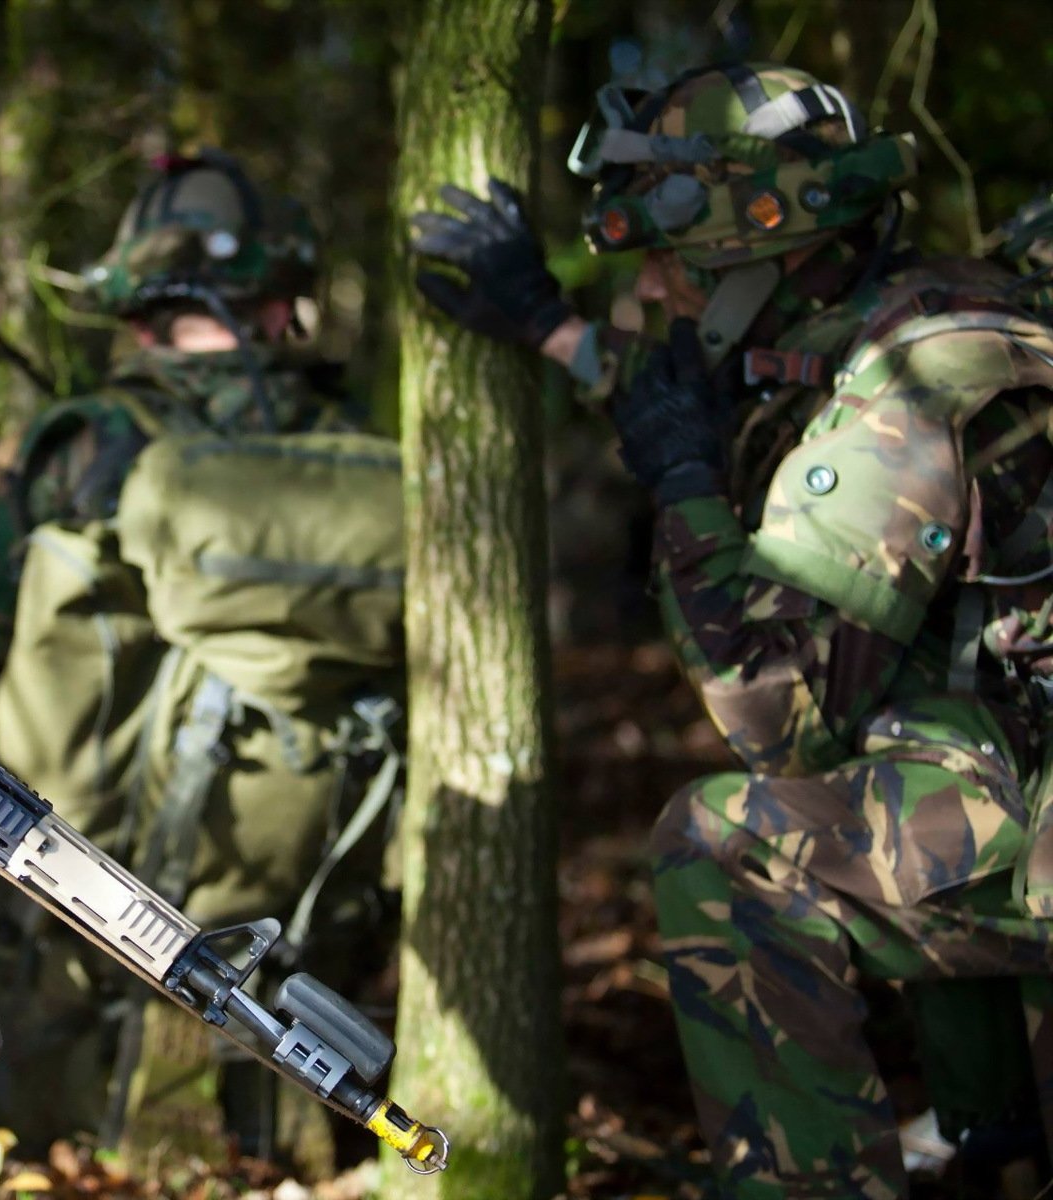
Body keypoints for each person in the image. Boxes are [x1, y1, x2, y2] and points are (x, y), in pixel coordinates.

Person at [414, 62, 1053, 1198]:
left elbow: (778, 714)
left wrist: (684, 489)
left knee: (734, 844)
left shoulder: (918, 378)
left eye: (677, 260)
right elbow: (745, 403)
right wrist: (550, 327)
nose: (652, 283)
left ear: (767, 251)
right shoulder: (908, 312)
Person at [0, 150, 405, 1169]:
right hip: (335, 933)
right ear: (282, 308)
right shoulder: (359, 453)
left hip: (108, 927)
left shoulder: (85, 446)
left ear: (139, 314)